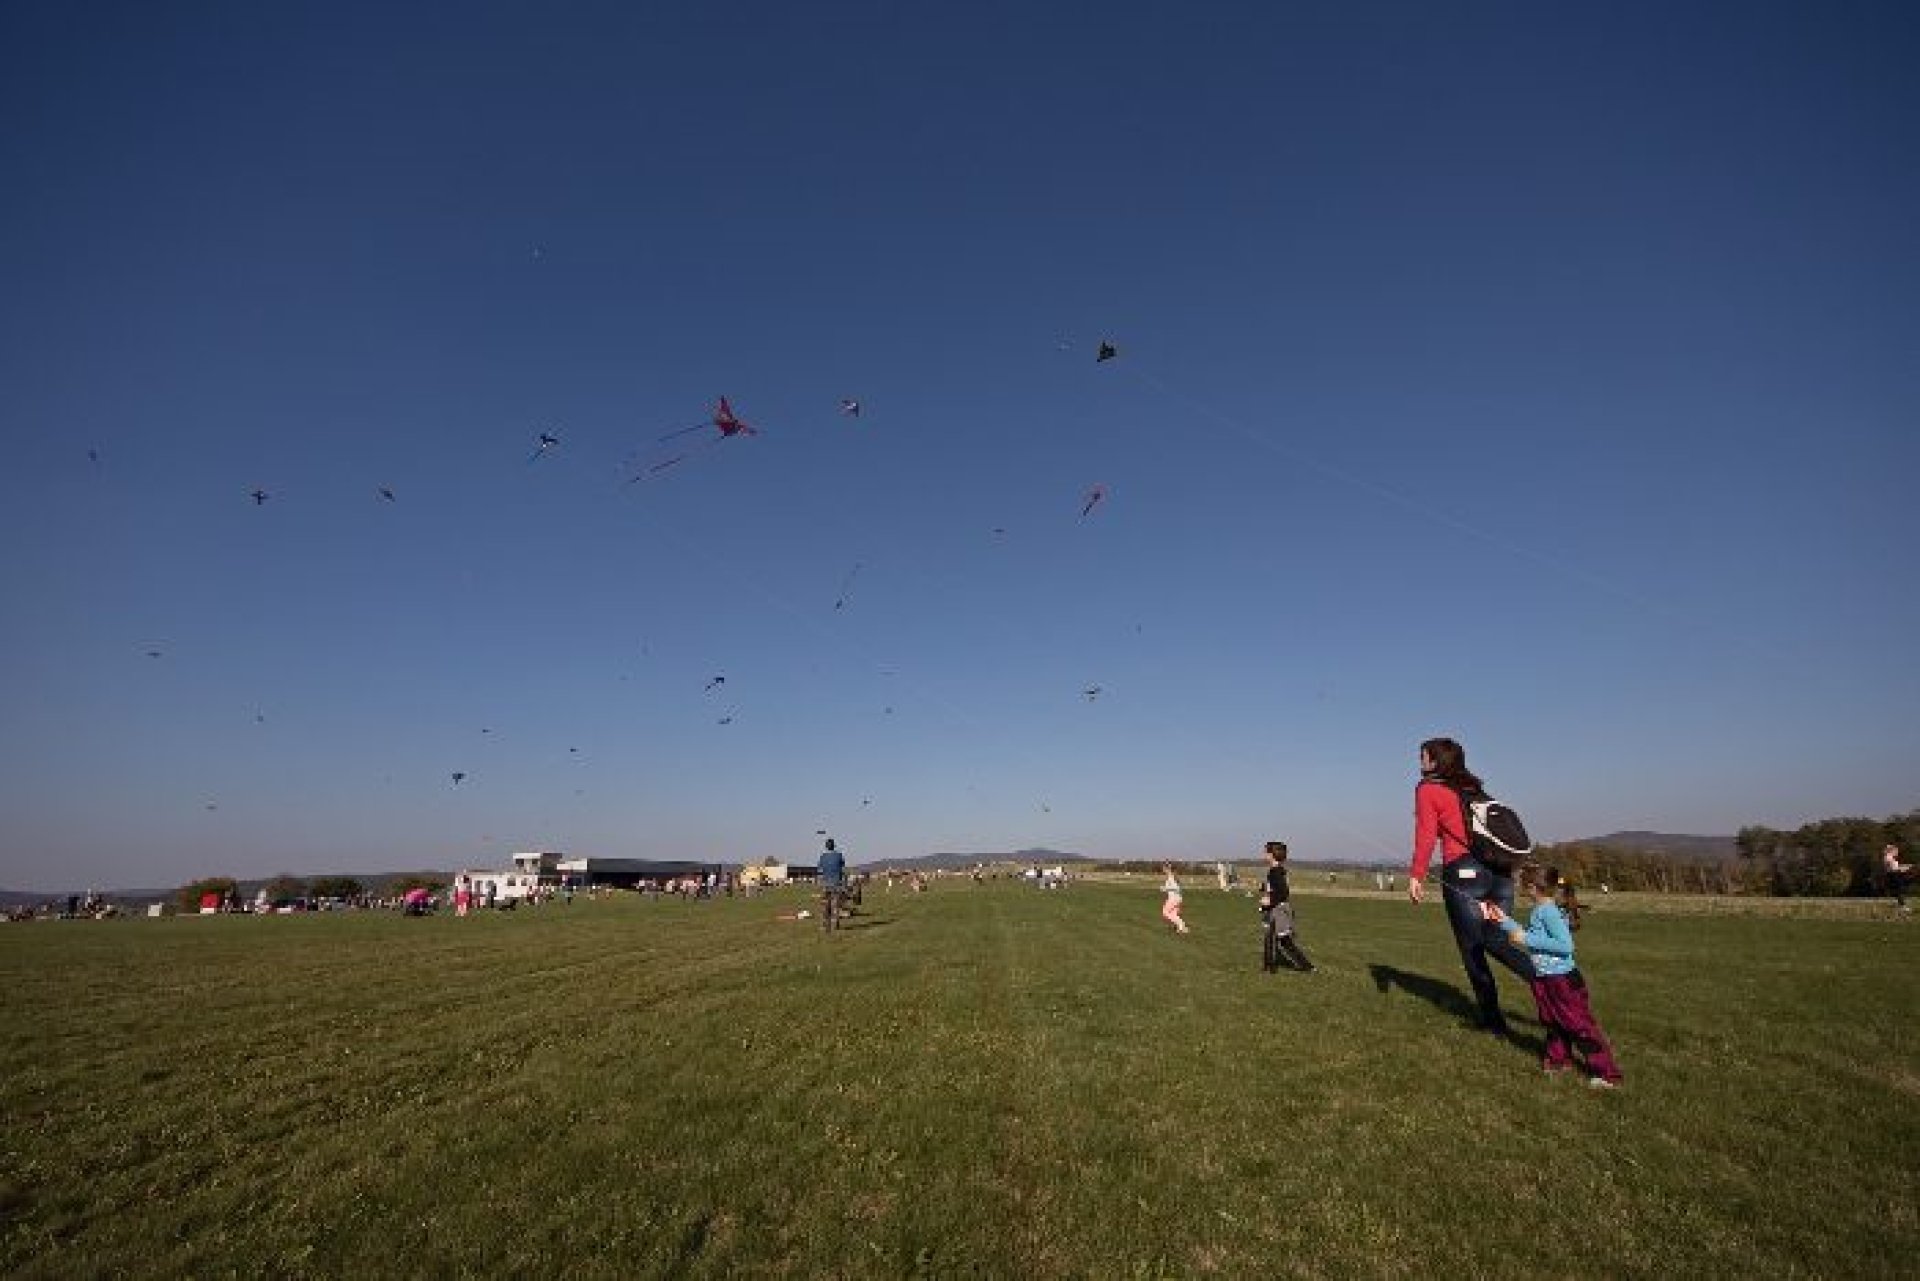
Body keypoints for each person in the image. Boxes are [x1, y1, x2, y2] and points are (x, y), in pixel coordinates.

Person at [1407, 737, 1535, 1034]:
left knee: (1473, 948)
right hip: (1500, 873)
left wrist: (1416, 875)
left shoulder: (1428, 789)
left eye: (1423, 756)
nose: (1419, 761)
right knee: (1498, 941)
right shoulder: (1474, 788)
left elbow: (1426, 834)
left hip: (1464, 871)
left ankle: (1493, 1021)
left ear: (1435, 761)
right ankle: (1550, 982)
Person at [1486, 865, 1622, 1088]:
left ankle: (1607, 1074)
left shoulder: (1548, 912)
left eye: (1521, 883)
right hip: (1545, 979)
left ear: (1532, 887)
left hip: (1562, 981)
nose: (1518, 886)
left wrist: (1526, 940)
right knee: (1552, 1022)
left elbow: (1565, 946)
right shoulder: (1541, 909)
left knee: (1579, 1026)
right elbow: (1529, 934)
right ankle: (1558, 1061)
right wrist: (1503, 921)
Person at [1259, 841, 1315, 972]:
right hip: (1275, 909)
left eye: (1266, 852)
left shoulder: (1276, 871)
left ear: (1272, 854)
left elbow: (1283, 892)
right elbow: (1275, 887)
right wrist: (1263, 888)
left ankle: (1306, 967)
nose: (1264, 855)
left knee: (1281, 940)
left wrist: (1269, 901)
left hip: (1278, 910)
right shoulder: (1276, 870)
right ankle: (1269, 966)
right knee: (1271, 938)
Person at [818, 838, 848, 930]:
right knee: (835, 905)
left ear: (826, 847)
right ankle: (835, 925)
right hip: (836, 883)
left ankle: (824, 925)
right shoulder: (839, 855)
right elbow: (843, 868)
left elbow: (820, 870)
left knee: (825, 905)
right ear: (834, 846)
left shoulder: (822, 857)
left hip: (825, 883)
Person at [1159, 862, 1190, 934]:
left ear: (1167, 869)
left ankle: (1181, 925)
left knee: (1165, 912)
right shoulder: (1171, 876)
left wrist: (1165, 888)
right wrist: (1166, 889)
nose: (1163, 869)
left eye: (1164, 868)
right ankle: (1181, 927)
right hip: (1176, 898)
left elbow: (1177, 888)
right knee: (1173, 914)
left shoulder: (1171, 877)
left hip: (1174, 898)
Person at [1884, 844, 1912, 915]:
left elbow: (1896, 867)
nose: (1897, 852)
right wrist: (1905, 868)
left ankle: (1900, 904)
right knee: (1900, 891)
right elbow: (1894, 868)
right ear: (1892, 851)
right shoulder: (1889, 858)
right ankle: (1902, 906)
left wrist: (1906, 866)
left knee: (1899, 891)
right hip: (1894, 876)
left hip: (1894, 875)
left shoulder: (1890, 858)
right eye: (1896, 851)